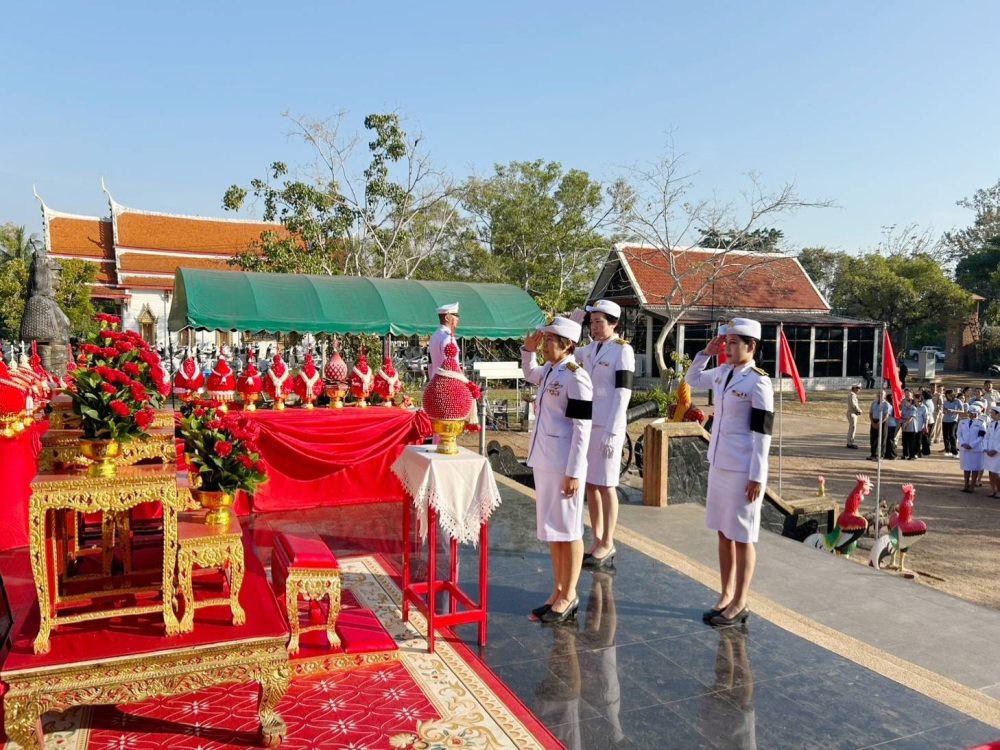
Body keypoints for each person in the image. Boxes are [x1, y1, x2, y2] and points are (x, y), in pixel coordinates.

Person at [686, 318, 773, 628]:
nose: (729, 348)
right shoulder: (723, 372)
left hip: (742, 468)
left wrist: (757, 476)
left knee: (742, 537)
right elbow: (692, 379)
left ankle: (740, 601)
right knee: (723, 533)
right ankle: (725, 595)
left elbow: (763, 435)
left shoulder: (758, 382)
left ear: (751, 346)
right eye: (727, 342)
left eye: (734, 343)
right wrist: (706, 353)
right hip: (720, 463)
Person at [522, 317, 593, 624]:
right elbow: (529, 373)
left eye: (550, 340)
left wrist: (574, 471)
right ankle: (558, 590)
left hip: (564, 464)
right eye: (546, 339)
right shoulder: (551, 370)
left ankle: (570, 594)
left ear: (568, 345)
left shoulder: (576, 377)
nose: (545, 344)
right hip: (545, 461)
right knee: (554, 530)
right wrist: (528, 351)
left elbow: (582, 428)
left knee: (569, 529)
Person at [576, 299, 635, 569]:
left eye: (600, 322)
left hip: (609, 426)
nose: (595, 327)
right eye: (592, 322)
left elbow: (623, 393)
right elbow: (566, 352)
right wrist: (573, 325)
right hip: (589, 424)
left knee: (607, 484)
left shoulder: (622, 350)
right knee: (591, 483)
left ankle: (608, 541)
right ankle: (597, 539)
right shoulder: (589, 350)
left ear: (614, 324)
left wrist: (613, 431)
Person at [959, 404, 986, 493]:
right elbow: (959, 434)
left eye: (974, 413)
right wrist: (963, 443)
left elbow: (981, 436)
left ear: (978, 413)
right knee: (966, 467)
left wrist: (971, 445)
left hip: (975, 449)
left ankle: (972, 486)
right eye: (970, 413)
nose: (972, 415)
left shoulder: (981, 423)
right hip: (964, 448)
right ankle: (966, 485)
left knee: (974, 468)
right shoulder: (962, 422)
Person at [429, 302, 459, 380]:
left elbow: (430, 364)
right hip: (447, 381)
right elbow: (450, 366)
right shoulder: (447, 337)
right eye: (455, 315)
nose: (457, 319)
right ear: (447, 318)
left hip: (435, 380)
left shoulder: (435, 335)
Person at [868, 390, 890, 461]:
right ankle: (873, 454)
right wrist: (872, 422)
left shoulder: (886, 404)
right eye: (879, 393)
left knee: (882, 439)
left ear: (885, 395)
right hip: (874, 421)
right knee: (873, 439)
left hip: (882, 422)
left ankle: (881, 455)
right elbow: (870, 413)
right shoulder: (874, 403)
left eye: (882, 394)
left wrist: (879, 423)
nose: (880, 395)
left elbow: (886, 415)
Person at [985, 404, 1000, 498]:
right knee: (991, 471)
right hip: (989, 451)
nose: (991, 415)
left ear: (998, 414)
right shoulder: (991, 424)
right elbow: (987, 437)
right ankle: (993, 490)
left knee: (997, 472)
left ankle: (999, 491)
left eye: (993, 413)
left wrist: (996, 450)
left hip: (998, 453)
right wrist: (986, 449)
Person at [942, 388, 962, 456]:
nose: (949, 396)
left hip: (953, 420)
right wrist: (945, 411)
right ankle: (947, 450)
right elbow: (943, 410)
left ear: (953, 395)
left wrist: (953, 411)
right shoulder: (945, 402)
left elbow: (962, 411)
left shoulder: (958, 401)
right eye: (948, 395)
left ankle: (954, 452)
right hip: (945, 420)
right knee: (945, 436)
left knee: (952, 435)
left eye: (951, 395)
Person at [845, 384, 862, 449]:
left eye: (859, 388)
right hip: (852, 413)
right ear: (854, 388)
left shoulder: (852, 394)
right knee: (852, 428)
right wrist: (859, 410)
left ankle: (850, 442)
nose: (859, 390)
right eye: (858, 388)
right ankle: (850, 443)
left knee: (852, 428)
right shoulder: (852, 395)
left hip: (853, 413)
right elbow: (853, 405)